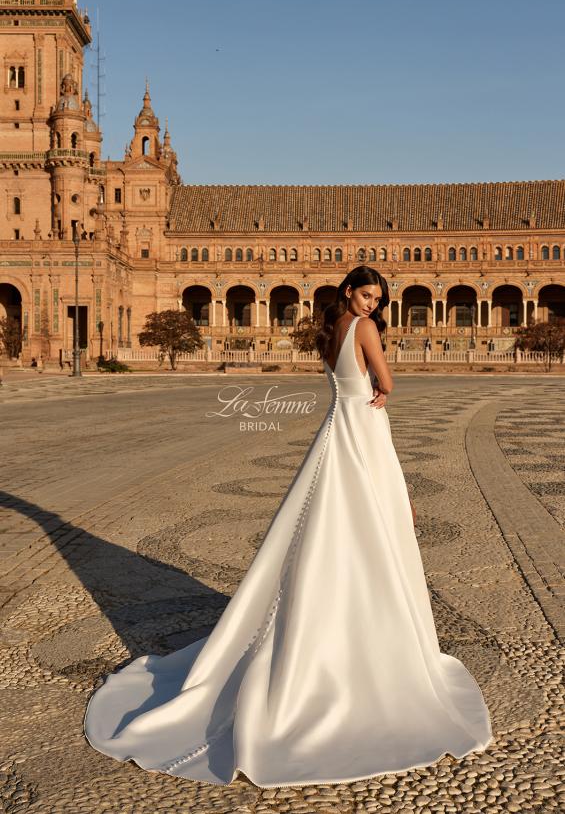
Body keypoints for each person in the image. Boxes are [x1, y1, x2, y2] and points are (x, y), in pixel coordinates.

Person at [84, 265, 493, 787]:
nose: (373, 305)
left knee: (324, 526)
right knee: (374, 527)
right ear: (350, 292)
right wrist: (382, 381)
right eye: (368, 295)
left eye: (378, 299)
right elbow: (386, 381)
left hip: (337, 431)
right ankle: (372, 637)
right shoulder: (364, 329)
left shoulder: (331, 332)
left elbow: (348, 381)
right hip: (364, 429)